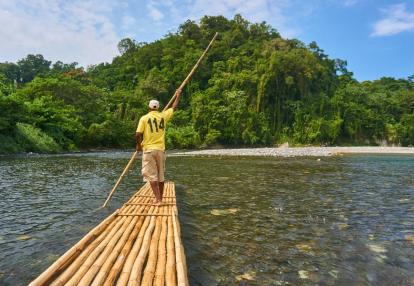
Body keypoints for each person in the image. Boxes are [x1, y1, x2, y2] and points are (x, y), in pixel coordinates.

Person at [135, 89, 182, 205]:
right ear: (158, 107)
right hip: (160, 149)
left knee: (151, 176)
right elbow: (174, 107)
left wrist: (138, 146)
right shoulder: (163, 116)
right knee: (160, 176)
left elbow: (137, 134)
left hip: (149, 150)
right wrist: (178, 95)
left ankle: (158, 200)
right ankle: (159, 198)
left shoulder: (144, 118)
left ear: (149, 107)